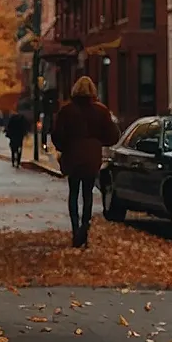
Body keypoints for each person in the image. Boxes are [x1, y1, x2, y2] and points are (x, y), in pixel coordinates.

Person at [51, 77, 120, 248]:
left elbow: (57, 135)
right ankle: (85, 229)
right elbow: (112, 136)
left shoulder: (66, 110)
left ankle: (76, 230)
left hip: (73, 156)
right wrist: (98, 142)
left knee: (73, 193)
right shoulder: (101, 111)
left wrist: (64, 148)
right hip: (92, 157)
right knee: (87, 194)